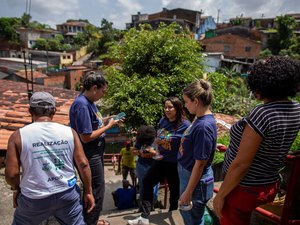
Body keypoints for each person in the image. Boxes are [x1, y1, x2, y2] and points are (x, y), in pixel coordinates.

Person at [213, 56, 300, 225]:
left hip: (244, 188)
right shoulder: (296, 108)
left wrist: (221, 195)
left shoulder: (262, 113)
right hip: (268, 184)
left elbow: (242, 164)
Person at [5, 92, 95, 225]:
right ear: (54, 110)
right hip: (67, 194)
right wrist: (88, 191)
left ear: (30, 111)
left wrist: (17, 189)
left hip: (34, 198)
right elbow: (83, 164)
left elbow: (12, 174)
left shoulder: (17, 136)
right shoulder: (70, 132)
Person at [128, 96, 190, 225]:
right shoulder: (163, 121)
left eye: (170, 107)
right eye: (165, 107)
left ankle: (173, 213)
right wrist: (155, 150)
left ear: (177, 108)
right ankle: (144, 216)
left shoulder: (185, 125)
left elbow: (184, 143)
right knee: (147, 181)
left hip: (175, 163)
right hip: (161, 160)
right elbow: (158, 138)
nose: (167, 110)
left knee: (174, 190)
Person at [69, 71, 121, 225]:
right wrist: (109, 126)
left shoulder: (89, 103)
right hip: (89, 153)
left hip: (95, 151)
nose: (103, 95)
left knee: (94, 188)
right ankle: (90, 221)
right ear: (93, 88)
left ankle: (91, 219)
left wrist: (108, 119)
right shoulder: (82, 105)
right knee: (96, 190)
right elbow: (86, 136)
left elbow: (94, 122)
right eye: (102, 91)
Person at [179, 79, 217, 225]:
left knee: (192, 219)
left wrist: (188, 193)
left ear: (196, 101)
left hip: (194, 181)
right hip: (189, 175)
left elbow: (200, 163)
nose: (185, 105)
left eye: (186, 102)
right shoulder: (202, 118)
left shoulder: (202, 126)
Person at [130, 126, 160, 215]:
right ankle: (143, 207)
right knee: (142, 187)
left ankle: (151, 205)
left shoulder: (157, 141)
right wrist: (140, 152)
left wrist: (152, 152)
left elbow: (161, 153)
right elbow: (133, 151)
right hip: (142, 166)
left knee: (154, 187)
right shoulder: (140, 141)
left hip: (154, 166)